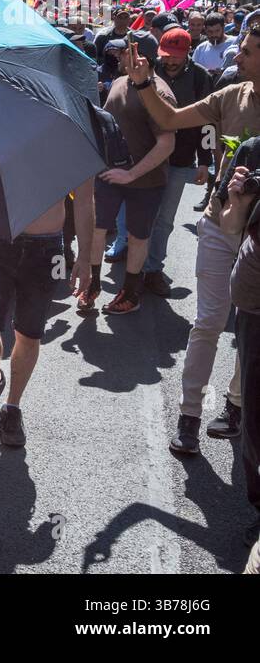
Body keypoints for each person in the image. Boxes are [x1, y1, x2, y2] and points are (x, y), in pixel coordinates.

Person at [123, 28, 260, 454]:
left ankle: (237, 405)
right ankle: (189, 416)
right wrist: (143, 83)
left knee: (251, 329)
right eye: (241, 48)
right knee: (210, 321)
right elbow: (169, 119)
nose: (239, 55)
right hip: (220, 225)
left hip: (258, 235)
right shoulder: (230, 96)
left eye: (250, 51)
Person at [0, 181, 96, 446]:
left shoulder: (75, 140)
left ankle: (12, 407)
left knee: (29, 333)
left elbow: (85, 200)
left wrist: (85, 257)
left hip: (47, 251)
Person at [77, 45, 174, 316]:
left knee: (137, 236)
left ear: (145, 58)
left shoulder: (160, 93)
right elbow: (107, 125)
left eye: (126, 53)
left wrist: (131, 174)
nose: (119, 57)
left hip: (146, 182)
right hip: (109, 174)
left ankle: (130, 293)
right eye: (120, 53)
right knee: (98, 228)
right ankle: (92, 285)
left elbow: (167, 143)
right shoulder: (120, 81)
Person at [141, 26, 212, 296]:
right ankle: (134, 262)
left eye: (176, 56)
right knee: (142, 213)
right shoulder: (149, 71)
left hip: (180, 159)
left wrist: (205, 161)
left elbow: (209, 121)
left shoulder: (200, 78)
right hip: (145, 155)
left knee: (165, 219)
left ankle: (153, 269)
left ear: (187, 53)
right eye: (166, 55)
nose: (170, 61)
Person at [215, 150, 260, 548]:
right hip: (253, 307)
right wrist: (240, 201)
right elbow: (230, 224)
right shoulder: (253, 149)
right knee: (254, 420)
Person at [193, 13, 237, 77]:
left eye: (217, 31)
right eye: (210, 31)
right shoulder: (200, 49)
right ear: (205, 30)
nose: (214, 35)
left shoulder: (235, 42)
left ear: (223, 27)